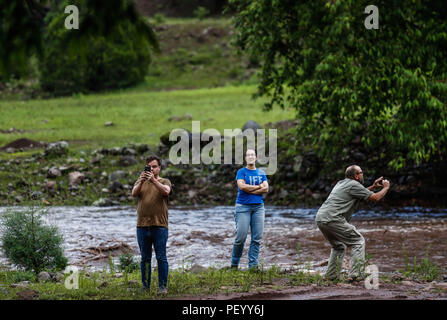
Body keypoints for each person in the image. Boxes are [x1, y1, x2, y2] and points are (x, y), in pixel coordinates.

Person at [315, 165, 390, 281]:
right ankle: (356, 274)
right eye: (361, 172)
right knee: (358, 241)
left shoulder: (342, 183)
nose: (362, 174)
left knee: (338, 246)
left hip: (321, 218)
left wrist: (373, 187)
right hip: (333, 218)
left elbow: (361, 193)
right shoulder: (354, 185)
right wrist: (386, 187)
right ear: (356, 176)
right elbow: (375, 198)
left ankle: (331, 276)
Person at [131, 155, 171, 293]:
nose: (152, 169)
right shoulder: (140, 181)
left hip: (159, 225)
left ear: (159, 168)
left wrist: (153, 180)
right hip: (142, 226)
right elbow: (133, 193)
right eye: (149, 166)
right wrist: (142, 181)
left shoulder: (165, 181)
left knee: (161, 257)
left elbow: (166, 192)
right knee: (145, 258)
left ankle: (162, 286)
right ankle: (145, 286)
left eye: (154, 166)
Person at [230, 148, 269, 270]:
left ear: (256, 158)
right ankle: (234, 264)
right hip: (243, 207)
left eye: (253, 155)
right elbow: (242, 187)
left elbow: (266, 189)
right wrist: (259, 187)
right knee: (240, 238)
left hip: (258, 208)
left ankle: (253, 266)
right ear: (245, 158)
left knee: (256, 238)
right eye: (248, 155)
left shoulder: (261, 172)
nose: (251, 157)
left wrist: (251, 188)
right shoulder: (241, 172)